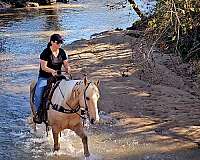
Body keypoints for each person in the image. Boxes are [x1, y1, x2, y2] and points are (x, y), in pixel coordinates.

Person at [33, 34, 70, 123]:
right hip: (45, 77)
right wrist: (52, 71)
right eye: (58, 43)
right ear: (52, 42)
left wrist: (67, 68)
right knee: (39, 93)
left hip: (58, 76)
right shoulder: (45, 53)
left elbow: (66, 63)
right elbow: (43, 67)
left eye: (61, 43)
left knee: (69, 89)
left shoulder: (62, 52)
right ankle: (38, 113)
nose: (59, 45)